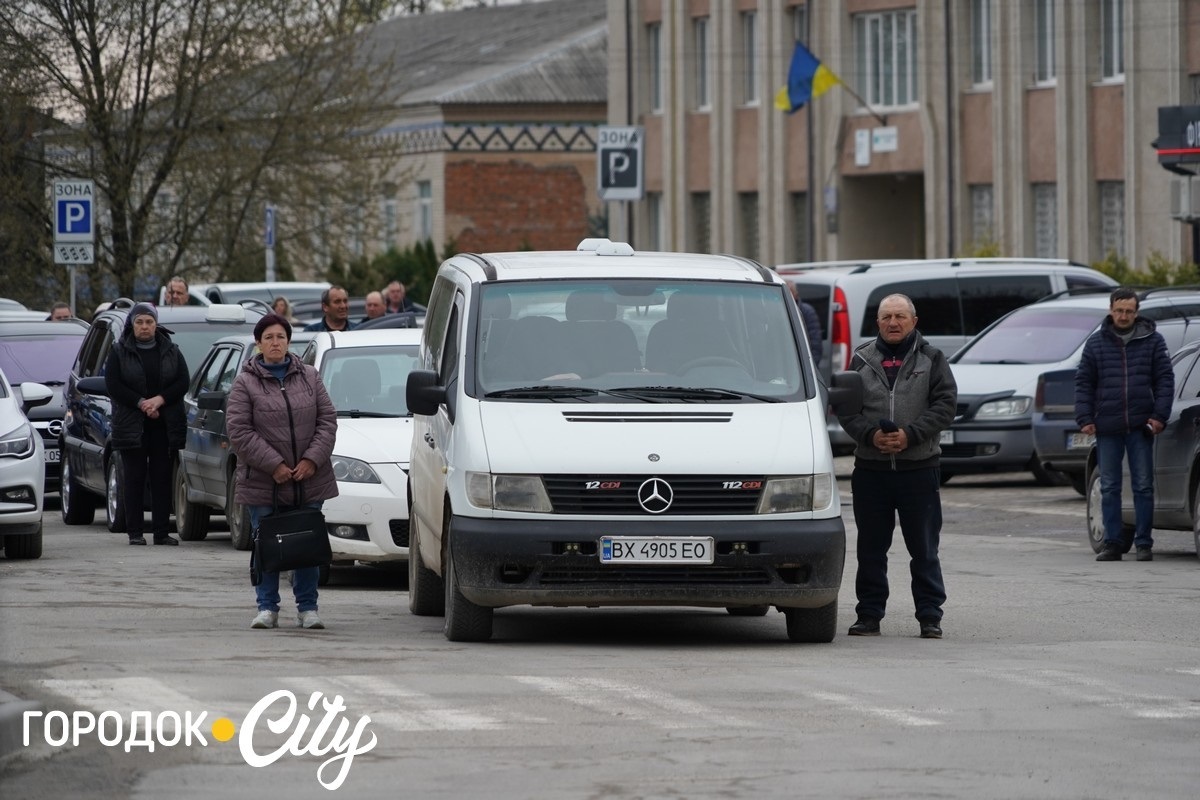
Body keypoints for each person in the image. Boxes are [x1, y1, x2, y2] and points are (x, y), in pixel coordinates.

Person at [837, 293, 957, 639]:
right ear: (877, 322)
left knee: (924, 548)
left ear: (913, 322)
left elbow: (945, 405)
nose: (893, 323)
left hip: (919, 468)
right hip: (871, 471)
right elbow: (846, 409)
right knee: (871, 549)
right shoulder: (860, 359)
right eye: (886, 316)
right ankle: (869, 615)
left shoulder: (932, 359)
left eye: (900, 316)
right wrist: (871, 435)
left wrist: (911, 435)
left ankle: (930, 615)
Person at [226, 312, 338, 629]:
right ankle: (267, 607)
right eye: (269, 338)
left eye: (281, 337)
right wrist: (274, 464)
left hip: (308, 481)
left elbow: (327, 422)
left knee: (306, 545)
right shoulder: (244, 383)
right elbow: (239, 431)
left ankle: (308, 608)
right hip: (265, 483)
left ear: (289, 341)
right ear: (259, 344)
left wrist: (311, 461)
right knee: (267, 545)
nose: (276, 343)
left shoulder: (310, 377)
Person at [1075, 287, 1174, 562]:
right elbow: (1084, 382)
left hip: (1141, 425)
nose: (1123, 316)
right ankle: (1113, 543)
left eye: (1129, 311)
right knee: (1109, 486)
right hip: (1107, 425)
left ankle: (1144, 543)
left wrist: (1159, 416)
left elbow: (1165, 381)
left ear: (1136, 312)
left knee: (1143, 484)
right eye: (1119, 310)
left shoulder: (1153, 341)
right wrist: (1084, 417)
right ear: (1110, 310)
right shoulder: (1096, 344)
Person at [103, 303, 188, 546]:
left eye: (149, 322)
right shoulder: (119, 351)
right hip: (132, 425)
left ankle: (161, 531)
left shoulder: (171, 350)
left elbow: (183, 381)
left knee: (162, 477)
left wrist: (159, 400)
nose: (144, 327)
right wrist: (141, 403)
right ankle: (136, 532)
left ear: (155, 324)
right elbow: (114, 385)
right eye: (139, 322)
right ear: (132, 324)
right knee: (134, 478)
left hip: (164, 425)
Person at [788, 283, 823, 361]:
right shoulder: (779, 311)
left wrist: (811, 366)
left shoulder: (807, 312)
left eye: (789, 293)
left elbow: (815, 344)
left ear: (795, 294)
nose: (787, 297)